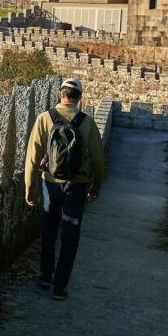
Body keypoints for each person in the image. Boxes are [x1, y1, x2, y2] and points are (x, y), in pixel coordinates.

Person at [24, 78, 106, 300]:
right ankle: (60, 287)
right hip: (77, 184)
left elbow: (32, 158)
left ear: (61, 94)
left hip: (50, 181)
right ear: (79, 98)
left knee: (49, 228)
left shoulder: (44, 118)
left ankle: (44, 276)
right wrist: (96, 185)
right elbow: (98, 159)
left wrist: (29, 188)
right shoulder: (86, 122)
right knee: (70, 234)